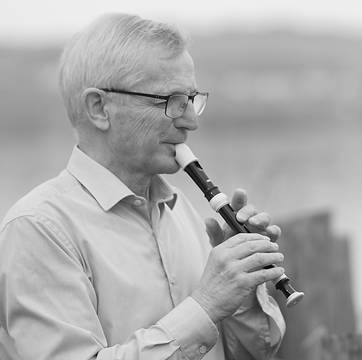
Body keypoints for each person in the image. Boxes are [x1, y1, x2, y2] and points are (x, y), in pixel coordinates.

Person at [0, 13, 287, 360]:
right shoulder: (38, 230)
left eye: (192, 99)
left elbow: (254, 354)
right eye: (170, 101)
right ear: (99, 108)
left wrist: (240, 290)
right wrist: (207, 304)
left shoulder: (184, 211)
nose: (191, 121)